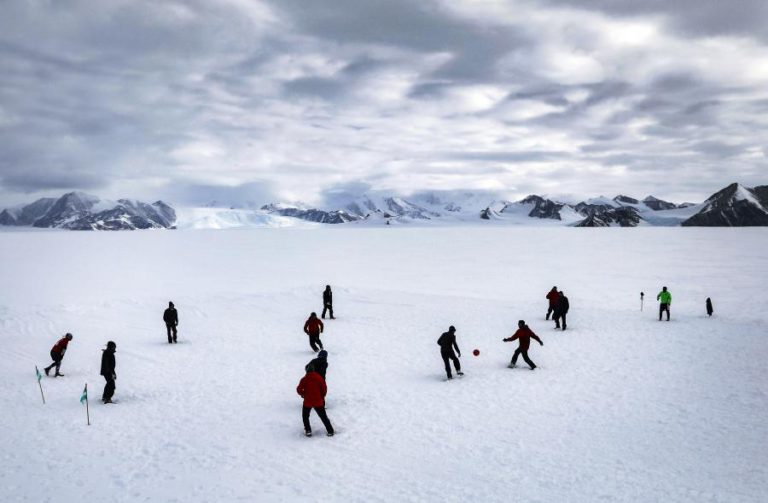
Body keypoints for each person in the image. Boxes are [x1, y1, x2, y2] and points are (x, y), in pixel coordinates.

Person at [296, 363, 334, 437]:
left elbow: (299, 389)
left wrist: (303, 394)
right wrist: (321, 396)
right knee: (323, 417)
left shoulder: (304, 379)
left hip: (308, 401)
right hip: (318, 401)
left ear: (306, 370)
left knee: (305, 416)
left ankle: (308, 430)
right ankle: (330, 431)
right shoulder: (319, 378)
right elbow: (324, 389)